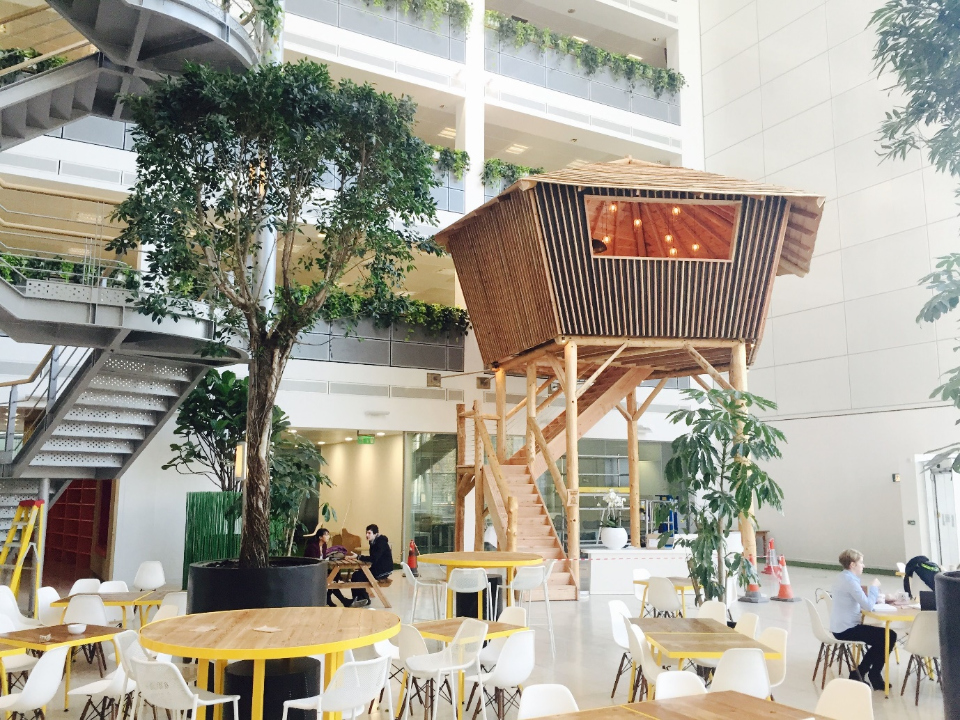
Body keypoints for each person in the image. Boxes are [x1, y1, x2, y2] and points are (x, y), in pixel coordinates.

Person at [829, 548, 896, 690]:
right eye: (861, 563)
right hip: (846, 629)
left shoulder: (842, 577)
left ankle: (861, 672)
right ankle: (870, 673)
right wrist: (874, 588)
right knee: (889, 636)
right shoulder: (850, 582)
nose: (863, 566)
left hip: (841, 626)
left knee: (884, 637)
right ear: (852, 564)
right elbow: (868, 605)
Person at [328, 524, 393, 608]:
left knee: (357, 576)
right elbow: (373, 558)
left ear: (376, 534)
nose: (367, 535)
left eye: (369, 533)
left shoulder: (380, 542)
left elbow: (373, 558)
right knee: (356, 575)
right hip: (378, 567)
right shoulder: (373, 541)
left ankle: (362, 598)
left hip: (383, 570)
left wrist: (358, 557)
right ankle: (361, 598)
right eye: (366, 533)